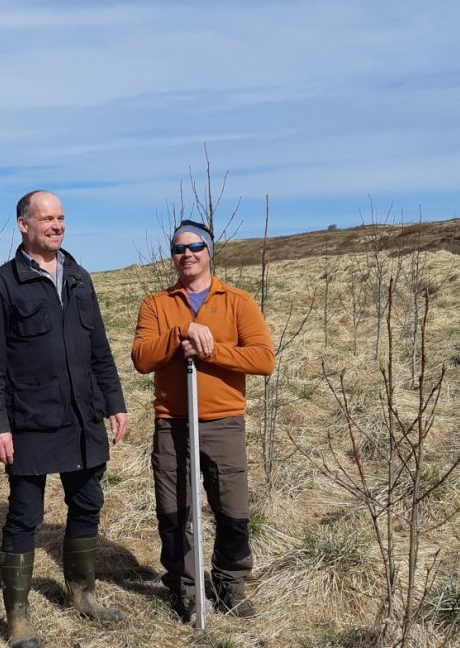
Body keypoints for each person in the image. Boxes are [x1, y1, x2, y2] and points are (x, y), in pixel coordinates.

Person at [0, 190, 129, 648]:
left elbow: (99, 348)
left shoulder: (80, 277)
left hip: (83, 417)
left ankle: (82, 594)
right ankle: (18, 620)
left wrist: (115, 402)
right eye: (47, 219)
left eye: (61, 218)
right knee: (24, 515)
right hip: (28, 421)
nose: (57, 225)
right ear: (24, 225)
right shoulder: (2, 285)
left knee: (87, 505)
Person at [130, 219, 274, 622]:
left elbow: (263, 359)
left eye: (195, 246)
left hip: (224, 421)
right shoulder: (156, 305)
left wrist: (211, 349)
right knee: (174, 511)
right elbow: (142, 358)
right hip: (171, 422)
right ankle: (184, 586)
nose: (187, 254)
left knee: (232, 509)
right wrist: (179, 333)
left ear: (209, 251)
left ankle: (230, 582)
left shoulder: (237, 301)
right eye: (179, 249)